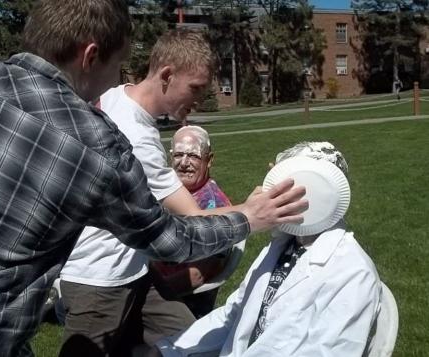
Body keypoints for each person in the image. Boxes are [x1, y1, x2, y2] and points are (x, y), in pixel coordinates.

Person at [0, 1, 308, 356]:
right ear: (90, 57)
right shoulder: (95, 144)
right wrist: (249, 217)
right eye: (119, 67)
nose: (116, 81)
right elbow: (171, 237)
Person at [60, 30, 296, 357]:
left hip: (136, 272)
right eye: (195, 88)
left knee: (188, 340)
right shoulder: (137, 140)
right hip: (99, 281)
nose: (198, 99)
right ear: (167, 75)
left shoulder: (117, 96)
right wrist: (254, 212)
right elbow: (193, 216)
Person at [149, 141, 381, 357]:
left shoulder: (352, 273)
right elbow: (233, 313)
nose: (264, 195)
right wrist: (168, 348)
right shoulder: (283, 246)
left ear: (314, 196)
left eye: (278, 188)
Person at [151, 125, 235, 319]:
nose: (184, 163)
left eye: (193, 156)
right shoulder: (177, 195)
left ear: (209, 160)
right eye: (178, 154)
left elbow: (198, 274)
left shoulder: (213, 206)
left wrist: (147, 296)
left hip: (182, 304)